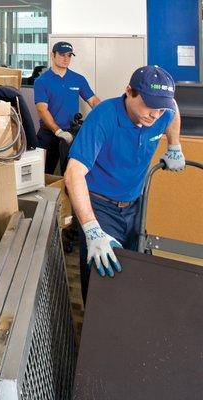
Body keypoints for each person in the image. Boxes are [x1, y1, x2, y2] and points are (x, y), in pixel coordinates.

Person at [65, 65, 184, 302]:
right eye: (149, 105)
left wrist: (175, 145)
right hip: (100, 206)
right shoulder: (104, 117)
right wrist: (91, 229)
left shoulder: (162, 112)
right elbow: (73, 174)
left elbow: (174, 111)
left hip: (134, 206)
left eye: (160, 108)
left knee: (130, 269)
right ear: (129, 91)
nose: (155, 115)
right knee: (101, 275)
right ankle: (94, 333)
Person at [34, 41, 100, 174]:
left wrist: (104, 117)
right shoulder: (42, 81)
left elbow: (93, 101)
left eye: (69, 55)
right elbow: (42, 109)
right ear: (53, 55)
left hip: (71, 134)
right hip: (48, 135)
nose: (66, 59)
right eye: (62, 55)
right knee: (42, 175)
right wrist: (58, 131)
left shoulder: (78, 79)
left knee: (70, 174)